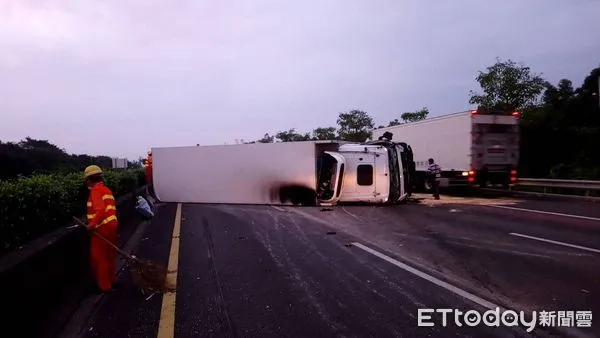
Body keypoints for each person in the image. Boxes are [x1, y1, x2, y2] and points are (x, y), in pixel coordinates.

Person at [84, 165, 119, 293]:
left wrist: (92, 224)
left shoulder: (95, 191)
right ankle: (112, 280)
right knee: (110, 255)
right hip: (112, 225)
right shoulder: (106, 190)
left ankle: (105, 286)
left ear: (88, 180)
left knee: (99, 257)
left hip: (101, 227)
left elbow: (100, 210)